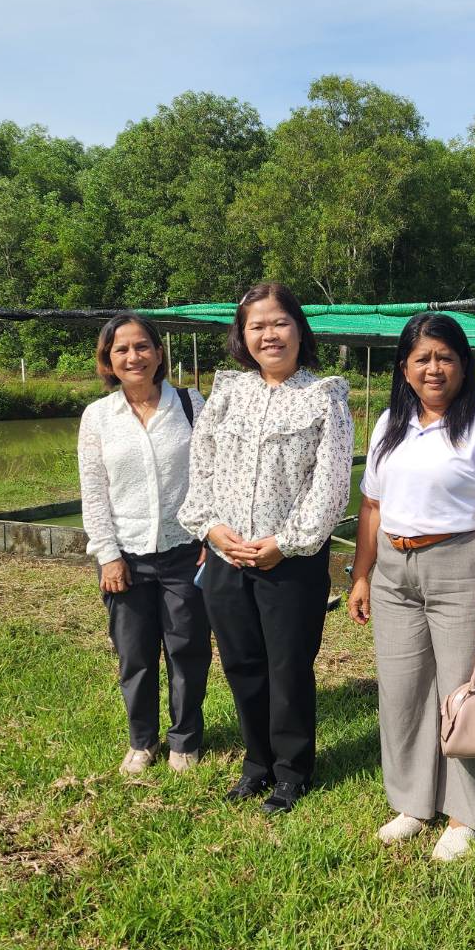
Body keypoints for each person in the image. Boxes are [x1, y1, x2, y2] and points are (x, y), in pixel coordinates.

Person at [347, 314, 475, 861]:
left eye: (445, 357)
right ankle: (412, 802)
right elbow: (373, 506)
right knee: (401, 690)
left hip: (460, 567)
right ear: (404, 368)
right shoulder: (389, 425)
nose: (434, 368)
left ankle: (466, 813)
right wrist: (361, 575)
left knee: (464, 691)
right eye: (422, 358)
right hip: (394, 572)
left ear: (464, 364)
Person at [179, 283, 353, 815]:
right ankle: (256, 763)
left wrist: (286, 542)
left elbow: (331, 486)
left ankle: (292, 770)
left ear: (299, 329)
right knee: (242, 662)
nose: (269, 334)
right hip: (227, 554)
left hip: (290, 562)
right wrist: (209, 527)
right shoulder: (228, 392)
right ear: (243, 335)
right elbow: (201, 466)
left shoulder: (324, 396)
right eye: (257, 325)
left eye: (279, 323)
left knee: (289, 665)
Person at [78, 313, 211, 777]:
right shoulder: (98, 417)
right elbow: (94, 490)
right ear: (108, 361)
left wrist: (210, 536)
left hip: (185, 551)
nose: (133, 357)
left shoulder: (192, 404)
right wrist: (107, 554)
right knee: (134, 655)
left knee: (188, 650)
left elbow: (213, 478)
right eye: (121, 350)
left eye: (142, 347)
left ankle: (186, 738)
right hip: (126, 557)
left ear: (158, 353)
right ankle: (142, 740)